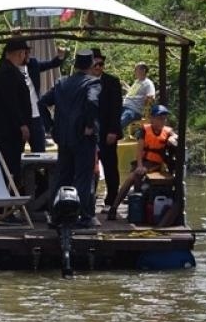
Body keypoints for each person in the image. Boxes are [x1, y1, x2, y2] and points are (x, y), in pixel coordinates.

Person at [40, 51, 102, 228]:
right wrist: (90, 124)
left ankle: (55, 215)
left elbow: (42, 102)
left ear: (75, 66)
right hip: (83, 137)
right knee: (84, 177)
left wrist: (50, 126)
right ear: (91, 65)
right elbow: (92, 102)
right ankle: (85, 216)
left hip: (63, 137)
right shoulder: (93, 82)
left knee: (62, 176)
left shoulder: (61, 82)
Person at [0, 38, 38, 205]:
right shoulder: (6, 72)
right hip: (7, 131)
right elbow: (11, 102)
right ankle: (3, 209)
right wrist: (22, 124)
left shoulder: (8, 71)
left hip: (9, 131)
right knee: (8, 170)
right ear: (19, 53)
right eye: (24, 53)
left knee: (10, 169)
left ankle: (5, 208)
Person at [111, 106, 180, 222]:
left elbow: (176, 136)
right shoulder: (144, 130)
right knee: (133, 177)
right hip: (143, 162)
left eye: (164, 119)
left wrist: (172, 138)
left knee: (136, 178)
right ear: (152, 118)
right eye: (159, 118)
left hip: (156, 165)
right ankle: (114, 208)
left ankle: (138, 207)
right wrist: (139, 165)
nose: (162, 121)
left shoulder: (167, 131)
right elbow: (139, 151)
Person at [90, 50, 123, 220]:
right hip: (88, 133)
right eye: (95, 64)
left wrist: (113, 131)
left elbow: (116, 108)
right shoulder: (83, 81)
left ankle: (111, 200)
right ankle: (89, 199)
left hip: (106, 132)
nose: (98, 67)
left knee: (110, 167)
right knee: (88, 168)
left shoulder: (112, 82)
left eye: (101, 64)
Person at [120, 61, 156, 130]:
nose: (134, 71)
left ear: (143, 70)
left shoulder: (148, 83)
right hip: (124, 106)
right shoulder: (137, 81)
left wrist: (147, 99)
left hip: (133, 110)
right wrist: (125, 86)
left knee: (119, 123)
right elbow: (131, 94)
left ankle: (109, 137)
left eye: (136, 69)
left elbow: (152, 96)